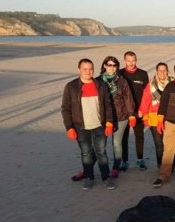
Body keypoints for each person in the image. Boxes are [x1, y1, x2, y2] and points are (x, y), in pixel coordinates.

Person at [61, 58, 115, 190]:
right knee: (86, 153)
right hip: (80, 127)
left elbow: (107, 104)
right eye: (85, 69)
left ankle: (105, 177)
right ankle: (89, 177)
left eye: (90, 69)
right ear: (79, 70)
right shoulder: (71, 86)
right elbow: (65, 109)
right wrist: (69, 128)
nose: (88, 71)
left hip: (99, 125)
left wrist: (109, 122)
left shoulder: (100, 85)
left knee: (101, 152)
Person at [98, 56, 136, 179]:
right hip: (103, 118)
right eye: (109, 65)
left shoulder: (122, 80)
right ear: (104, 66)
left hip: (121, 116)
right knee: (100, 144)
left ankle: (116, 167)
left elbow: (128, 98)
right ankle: (100, 167)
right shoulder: (98, 81)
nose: (112, 67)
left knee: (117, 143)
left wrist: (131, 115)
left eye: (114, 65)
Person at [139, 62, 174, 169]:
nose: (162, 73)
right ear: (156, 72)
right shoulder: (151, 85)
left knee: (170, 145)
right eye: (160, 70)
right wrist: (144, 116)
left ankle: (172, 166)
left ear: (168, 72)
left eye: (164, 70)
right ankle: (161, 165)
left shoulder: (173, 83)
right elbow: (146, 101)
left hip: (170, 117)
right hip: (154, 117)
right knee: (159, 144)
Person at [119, 51, 149, 171]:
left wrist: (142, 110)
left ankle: (140, 160)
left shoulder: (142, 74)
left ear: (136, 60)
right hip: (124, 112)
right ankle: (124, 161)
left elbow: (146, 94)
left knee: (139, 136)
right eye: (128, 61)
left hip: (139, 112)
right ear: (125, 61)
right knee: (124, 137)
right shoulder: (120, 73)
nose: (131, 63)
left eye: (133, 60)